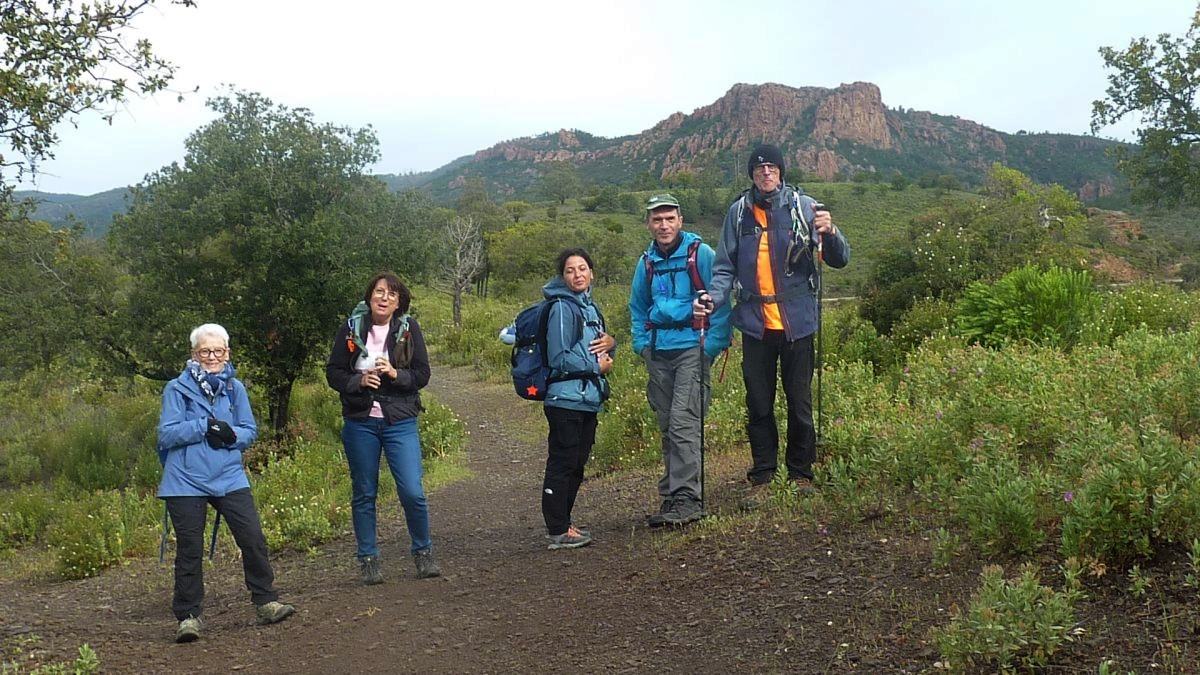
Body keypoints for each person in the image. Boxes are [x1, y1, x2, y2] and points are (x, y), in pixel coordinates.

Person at [694, 144, 849, 507]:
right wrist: (712, 299)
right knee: (759, 402)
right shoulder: (738, 214)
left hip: (798, 321)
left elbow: (839, 259)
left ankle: (801, 473)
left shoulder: (805, 207)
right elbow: (724, 269)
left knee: (800, 401)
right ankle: (763, 474)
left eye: (772, 167)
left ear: (781, 172)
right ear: (751, 174)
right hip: (755, 324)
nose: (766, 173)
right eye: (759, 168)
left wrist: (833, 231)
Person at [157, 323, 295, 643]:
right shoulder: (176, 389)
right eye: (205, 351)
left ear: (227, 352)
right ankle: (188, 617)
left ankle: (266, 602)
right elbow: (167, 433)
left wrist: (232, 436)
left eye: (218, 351)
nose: (212, 357)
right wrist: (204, 426)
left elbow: (249, 430)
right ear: (194, 354)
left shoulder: (235, 389)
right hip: (185, 480)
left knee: (252, 537)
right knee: (190, 549)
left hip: (229, 475)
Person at [326, 273, 440, 584]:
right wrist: (358, 381)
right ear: (369, 297)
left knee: (413, 491)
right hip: (360, 420)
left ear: (399, 301)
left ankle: (423, 552)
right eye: (379, 291)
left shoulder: (408, 328)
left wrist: (394, 374)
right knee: (364, 492)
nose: (384, 297)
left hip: (400, 419)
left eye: (391, 293)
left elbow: (422, 374)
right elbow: (333, 372)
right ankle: (368, 559)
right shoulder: (351, 328)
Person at [629, 194, 731, 527]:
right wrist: (642, 346)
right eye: (657, 220)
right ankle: (673, 496)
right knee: (667, 425)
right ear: (649, 223)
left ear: (680, 220)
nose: (663, 225)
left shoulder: (701, 254)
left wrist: (710, 348)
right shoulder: (646, 262)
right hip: (658, 352)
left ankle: (688, 500)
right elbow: (637, 307)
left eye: (669, 218)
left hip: (692, 348)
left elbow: (721, 301)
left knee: (684, 422)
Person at [541, 248, 615, 549]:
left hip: (586, 398)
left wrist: (613, 343)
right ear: (562, 276)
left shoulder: (590, 308)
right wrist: (594, 367)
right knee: (563, 463)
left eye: (582, 268)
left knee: (576, 463)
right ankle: (557, 529)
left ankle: (564, 523)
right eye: (570, 270)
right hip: (565, 399)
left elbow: (595, 347)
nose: (577, 275)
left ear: (592, 273)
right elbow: (559, 357)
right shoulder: (562, 308)